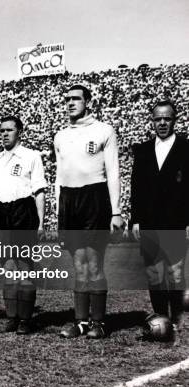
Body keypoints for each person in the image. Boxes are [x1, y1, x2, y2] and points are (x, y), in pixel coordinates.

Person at [55, 85, 123, 339]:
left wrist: (116, 211)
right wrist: (58, 205)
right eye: (67, 99)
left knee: (94, 264)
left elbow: (113, 172)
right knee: (78, 265)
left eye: (76, 99)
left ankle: (99, 321)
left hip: (95, 197)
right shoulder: (61, 136)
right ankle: (81, 321)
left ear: (88, 102)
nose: (70, 103)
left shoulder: (104, 130)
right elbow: (60, 175)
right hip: (69, 199)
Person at [131, 100, 188, 336]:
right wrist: (135, 219)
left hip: (176, 220)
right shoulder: (143, 150)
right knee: (154, 272)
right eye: (158, 119)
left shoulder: (186, 147)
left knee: (175, 271)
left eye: (167, 118)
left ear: (175, 119)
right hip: (150, 222)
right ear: (152, 120)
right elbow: (137, 187)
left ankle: (175, 317)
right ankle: (160, 316)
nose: (162, 123)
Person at [0, 116, 47, 335]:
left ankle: (26, 319)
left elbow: (39, 191)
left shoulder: (31, 156)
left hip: (23, 210)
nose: (4, 134)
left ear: (19, 132)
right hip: (1, 212)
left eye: (9, 130)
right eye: (1, 130)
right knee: (7, 267)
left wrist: (40, 223)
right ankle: (11, 317)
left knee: (24, 266)